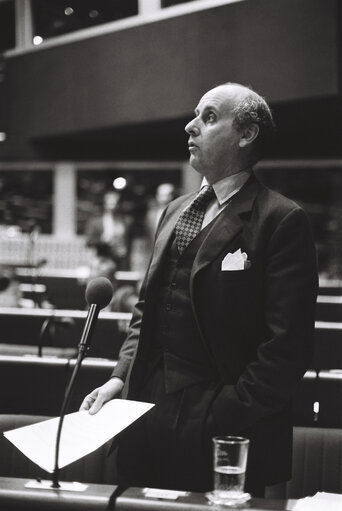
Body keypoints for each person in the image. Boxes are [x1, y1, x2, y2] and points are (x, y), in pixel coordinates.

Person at [80, 83, 318, 496]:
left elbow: (287, 347)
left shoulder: (282, 219)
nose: (190, 127)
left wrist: (224, 412)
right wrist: (121, 377)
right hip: (143, 414)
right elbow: (146, 309)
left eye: (208, 117)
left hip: (222, 427)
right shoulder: (175, 211)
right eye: (195, 116)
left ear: (246, 134)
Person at [85, 189, 132, 270]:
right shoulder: (96, 221)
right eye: (110, 203)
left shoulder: (125, 221)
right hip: (103, 260)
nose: (112, 206)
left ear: (118, 204)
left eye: (114, 203)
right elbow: (89, 241)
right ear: (105, 204)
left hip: (121, 261)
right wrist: (101, 239)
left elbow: (129, 242)